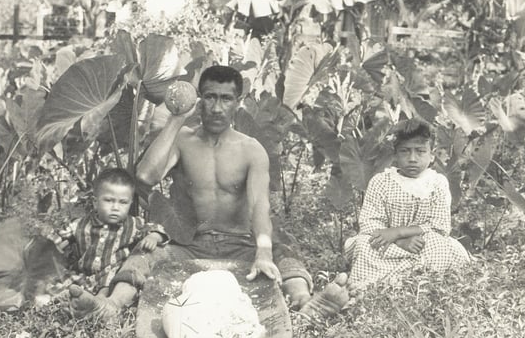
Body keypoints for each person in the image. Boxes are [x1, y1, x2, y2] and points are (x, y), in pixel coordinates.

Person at [68, 66, 349, 319]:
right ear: (199, 99)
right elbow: (144, 177)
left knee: (282, 254)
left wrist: (262, 252)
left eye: (226, 99)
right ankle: (112, 305)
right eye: (210, 97)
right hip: (189, 244)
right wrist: (177, 120)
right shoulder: (182, 140)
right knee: (142, 256)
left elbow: (259, 206)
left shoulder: (251, 150)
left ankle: (306, 302)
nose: (217, 107)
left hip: (240, 244)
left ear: (238, 103)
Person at [344, 118, 470, 289]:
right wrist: (398, 240)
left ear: (431, 154)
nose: (412, 158)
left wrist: (400, 232)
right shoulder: (381, 181)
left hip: (422, 243)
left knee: (439, 245)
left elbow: (440, 226)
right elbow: (369, 222)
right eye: (405, 151)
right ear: (395, 154)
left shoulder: (437, 182)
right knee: (364, 246)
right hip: (387, 244)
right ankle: (373, 286)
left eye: (420, 151)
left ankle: (419, 284)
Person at [46, 168, 168, 298]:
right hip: (83, 276)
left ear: (130, 203)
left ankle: (100, 301)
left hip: (111, 277)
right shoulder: (80, 224)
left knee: (114, 279)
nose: (115, 207)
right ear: (95, 202)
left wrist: (154, 237)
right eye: (109, 200)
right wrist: (52, 244)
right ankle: (69, 297)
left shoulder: (133, 225)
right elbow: (56, 238)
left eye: (123, 202)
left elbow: (157, 228)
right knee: (57, 281)